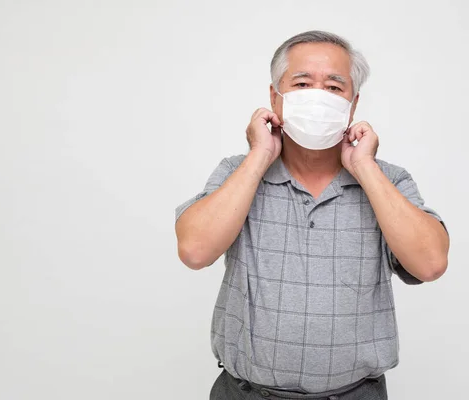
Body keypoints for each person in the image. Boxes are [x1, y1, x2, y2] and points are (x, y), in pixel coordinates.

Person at [174, 31, 449, 400]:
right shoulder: (236, 173)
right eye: (302, 83)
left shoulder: (389, 180)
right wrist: (259, 155)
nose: (318, 96)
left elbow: (430, 263)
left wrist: (364, 167)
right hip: (245, 393)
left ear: (353, 105)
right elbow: (194, 250)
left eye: (334, 88)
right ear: (276, 96)